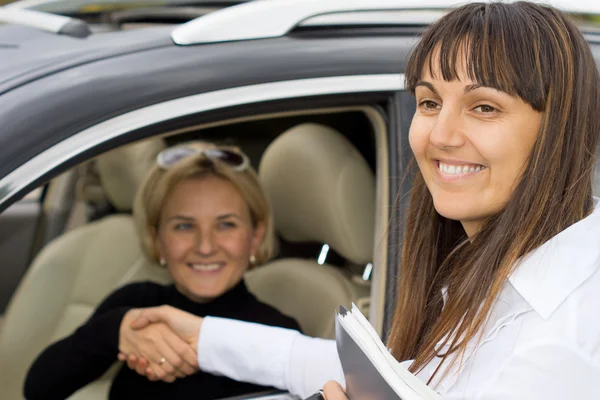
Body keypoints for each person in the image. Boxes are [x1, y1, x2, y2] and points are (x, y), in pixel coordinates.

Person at [119, 2, 600, 399]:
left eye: (484, 107)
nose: (441, 135)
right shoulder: (499, 274)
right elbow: (393, 378)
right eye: (429, 102)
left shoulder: (567, 337)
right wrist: (202, 337)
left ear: (559, 130)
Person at [23, 142, 301, 400]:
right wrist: (117, 330)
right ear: (157, 239)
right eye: (184, 226)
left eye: (226, 224)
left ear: (255, 235)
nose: (205, 246)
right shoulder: (137, 305)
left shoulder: (276, 335)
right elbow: (39, 388)